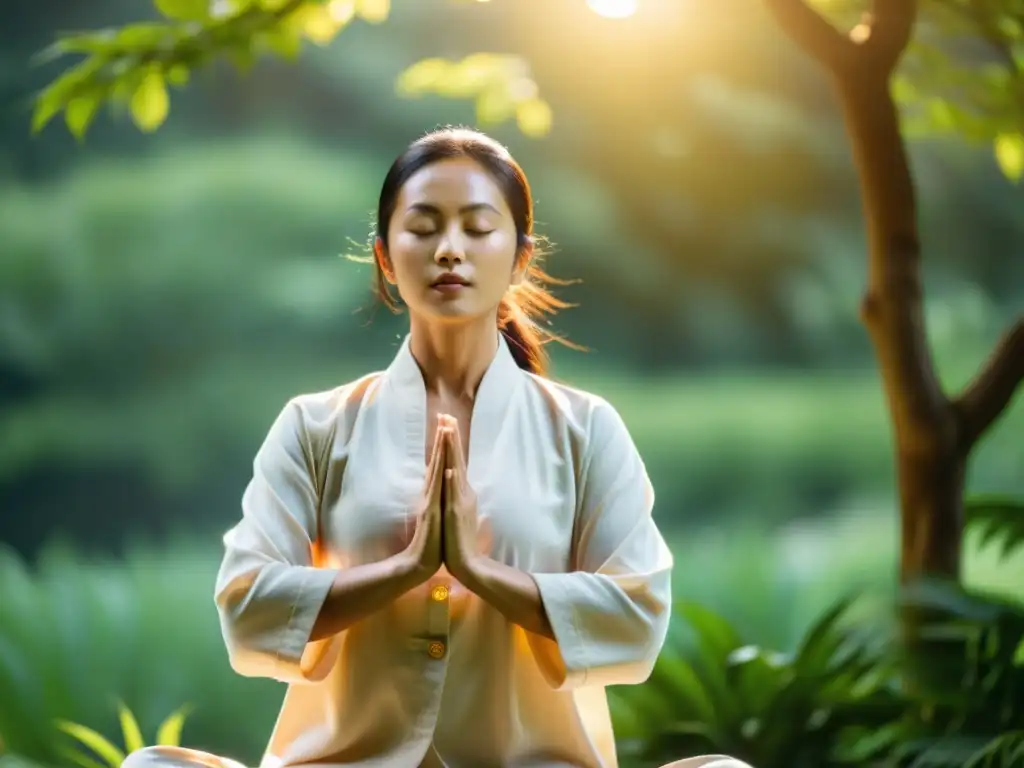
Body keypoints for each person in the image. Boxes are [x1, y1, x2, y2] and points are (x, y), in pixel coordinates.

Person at [122, 128, 752, 768]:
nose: (450, 250)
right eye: (423, 228)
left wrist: (484, 573)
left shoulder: (585, 430)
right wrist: (406, 569)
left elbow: (638, 618)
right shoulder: (315, 426)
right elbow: (247, 606)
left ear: (520, 258)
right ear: (387, 258)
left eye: (478, 228)